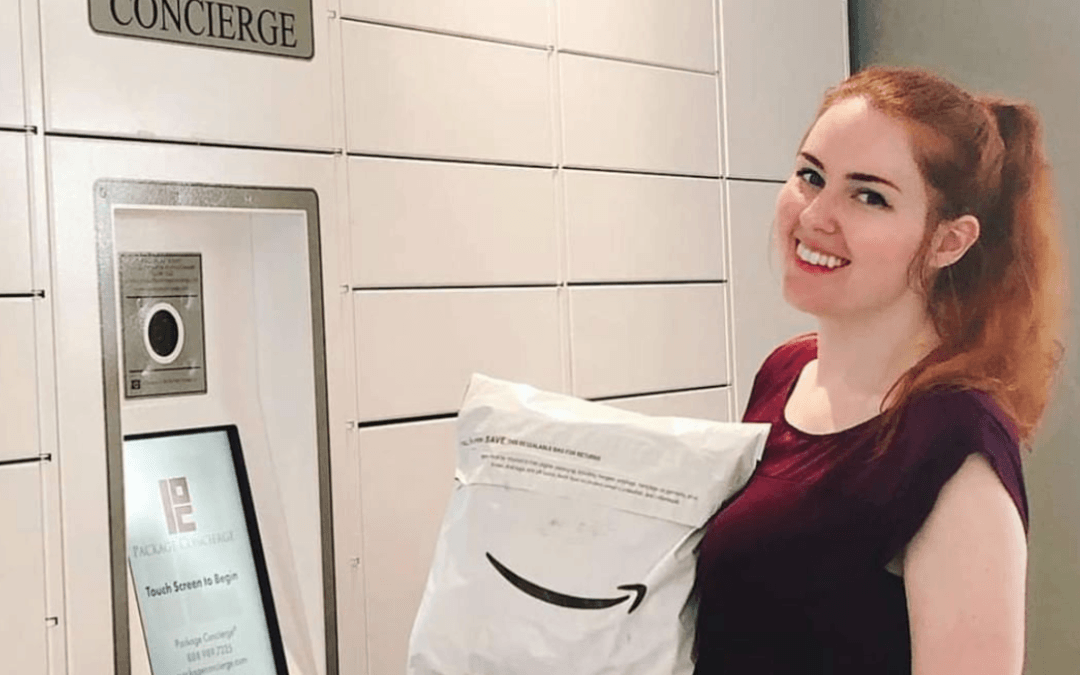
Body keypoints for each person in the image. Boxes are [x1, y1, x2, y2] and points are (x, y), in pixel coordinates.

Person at [693, 66, 1068, 674]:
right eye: (811, 176)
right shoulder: (786, 373)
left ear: (948, 242)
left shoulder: (953, 444)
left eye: (869, 195)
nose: (816, 215)